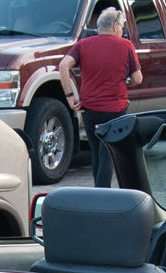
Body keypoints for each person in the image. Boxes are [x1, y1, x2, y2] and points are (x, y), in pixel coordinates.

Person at [58, 7, 143, 187]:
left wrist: (70, 96)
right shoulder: (126, 46)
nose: (122, 30)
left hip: (88, 109)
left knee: (97, 153)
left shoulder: (83, 44)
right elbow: (138, 78)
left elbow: (63, 65)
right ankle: (102, 196)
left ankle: (97, 193)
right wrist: (125, 81)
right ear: (114, 26)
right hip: (115, 110)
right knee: (108, 155)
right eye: (122, 26)